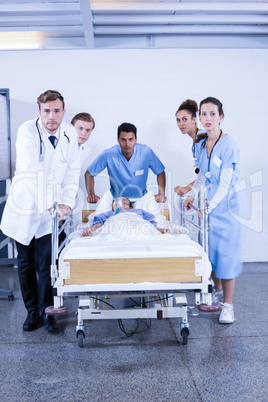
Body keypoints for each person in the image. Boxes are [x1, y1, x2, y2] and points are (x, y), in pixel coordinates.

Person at [0, 90, 80, 332]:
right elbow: (31, 170)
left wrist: (67, 203)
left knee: (46, 263)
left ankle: (48, 311)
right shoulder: (27, 131)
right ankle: (32, 311)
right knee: (25, 264)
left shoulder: (69, 133)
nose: (51, 116)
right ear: (39, 112)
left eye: (56, 111)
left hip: (51, 212)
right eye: (46, 111)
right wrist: (49, 203)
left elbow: (72, 170)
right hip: (25, 207)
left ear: (63, 112)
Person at [183, 97, 245, 324]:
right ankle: (217, 295)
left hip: (228, 206)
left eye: (212, 114)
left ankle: (228, 306)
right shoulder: (201, 144)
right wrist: (192, 195)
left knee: (226, 256)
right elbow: (202, 176)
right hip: (210, 205)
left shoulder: (229, 145)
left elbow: (225, 183)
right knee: (212, 253)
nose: (207, 118)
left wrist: (209, 205)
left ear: (221, 117)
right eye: (203, 114)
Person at [85, 122, 167, 203]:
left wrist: (161, 194)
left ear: (136, 139)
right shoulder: (108, 154)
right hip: (117, 202)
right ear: (118, 140)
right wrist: (91, 194)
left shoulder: (146, 152)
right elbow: (89, 174)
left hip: (141, 201)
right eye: (123, 140)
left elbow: (160, 172)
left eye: (130, 139)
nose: (127, 144)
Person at [82, 196, 169, 236]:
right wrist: (90, 230)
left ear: (131, 206)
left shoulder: (139, 211)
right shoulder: (110, 213)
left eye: (124, 201)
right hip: (115, 226)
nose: (120, 202)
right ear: (113, 207)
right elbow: (99, 224)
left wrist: (161, 230)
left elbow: (150, 224)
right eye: (116, 202)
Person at [174, 99, 206, 196]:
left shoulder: (203, 138)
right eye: (178, 120)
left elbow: (208, 172)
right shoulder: (196, 141)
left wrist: (188, 188)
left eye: (185, 119)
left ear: (193, 120)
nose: (181, 124)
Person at [71, 112, 95, 225]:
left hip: (71, 194)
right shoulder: (59, 145)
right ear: (71, 127)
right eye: (80, 128)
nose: (83, 133)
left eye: (88, 130)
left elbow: (75, 172)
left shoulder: (86, 149)